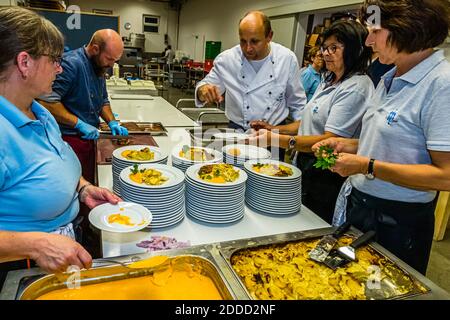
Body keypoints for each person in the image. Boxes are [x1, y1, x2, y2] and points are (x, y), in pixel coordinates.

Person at [312, 0, 450, 275]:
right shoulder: (389, 77)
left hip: (398, 222)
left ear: (407, 29)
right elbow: (390, 143)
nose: (368, 40)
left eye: (375, 31)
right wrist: (347, 145)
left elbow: (445, 175)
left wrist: (368, 166)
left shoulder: (440, 84)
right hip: (362, 207)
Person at [0, 7, 122, 288]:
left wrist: (82, 188)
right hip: (22, 270)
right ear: (24, 63)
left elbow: (54, 164)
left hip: (61, 251)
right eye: (54, 59)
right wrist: (36, 244)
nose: (60, 67)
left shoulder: (39, 113)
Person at [249, 20, 374, 223]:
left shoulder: (356, 87)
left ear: (355, 49)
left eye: (334, 48)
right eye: (324, 48)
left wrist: (277, 140)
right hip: (307, 163)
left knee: (314, 223)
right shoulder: (329, 80)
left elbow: (330, 140)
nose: (325, 54)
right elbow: (307, 122)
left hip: (328, 175)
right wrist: (275, 129)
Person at [39, 29, 128, 185]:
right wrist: (79, 124)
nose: (111, 65)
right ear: (95, 49)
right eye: (109, 59)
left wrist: (112, 122)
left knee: (89, 182)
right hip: (69, 140)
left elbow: (103, 100)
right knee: (76, 186)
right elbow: (47, 102)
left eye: (115, 60)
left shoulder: (98, 66)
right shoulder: (71, 63)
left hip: (88, 139)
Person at [195, 11, 307, 133]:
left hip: (274, 133)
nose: (248, 48)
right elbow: (204, 87)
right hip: (237, 132)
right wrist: (203, 91)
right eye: (243, 41)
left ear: (269, 36)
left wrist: (300, 133)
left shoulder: (287, 59)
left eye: (254, 41)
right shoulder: (227, 60)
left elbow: (297, 103)